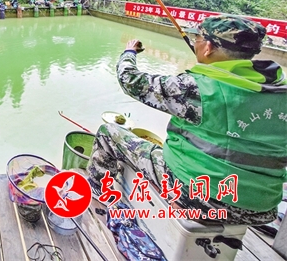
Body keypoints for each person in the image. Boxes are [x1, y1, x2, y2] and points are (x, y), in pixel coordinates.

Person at [86, 15, 287, 225]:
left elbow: (131, 80)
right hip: (262, 209)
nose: (195, 43)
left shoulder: (196, 87)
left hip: (200, 197)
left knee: (109, 132)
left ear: (208, 48)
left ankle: (96, 193)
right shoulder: (280, 89)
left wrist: (129, 52)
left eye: (197, 38)